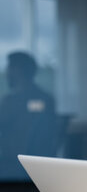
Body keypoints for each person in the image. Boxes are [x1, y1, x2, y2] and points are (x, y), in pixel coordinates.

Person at [0, 52, 56, 180]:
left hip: (17, 165)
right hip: (33, 165)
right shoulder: (45, 99)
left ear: (19, 70)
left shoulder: (12, 101)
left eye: (10, 67)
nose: (7, 72)